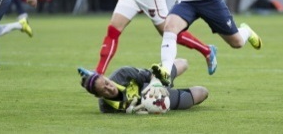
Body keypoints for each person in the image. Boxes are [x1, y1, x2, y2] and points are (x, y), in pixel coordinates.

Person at [78, 58, 208, 114]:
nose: (109, 88)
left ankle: (171, 66)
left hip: (154, 84)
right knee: (202, 93)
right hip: (156, 103)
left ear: (105, 77)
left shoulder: (122, 73)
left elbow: (151, 74)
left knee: (182, 63)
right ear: (98, 96)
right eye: (104, 90)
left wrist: (155, 83)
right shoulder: (106, 108)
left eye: (106, 83)